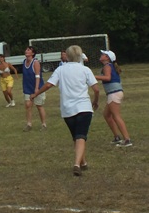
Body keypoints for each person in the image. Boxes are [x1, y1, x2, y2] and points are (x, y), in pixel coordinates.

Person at [30, 45, 100, 176]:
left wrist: (36, 94)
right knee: (80, 136)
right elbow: (96, 89)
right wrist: (95, 101)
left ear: (66, 56)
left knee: (77, 137)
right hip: (84, 107)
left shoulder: (60, 70)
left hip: (67, 109)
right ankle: (77, 164)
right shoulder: (85, 70)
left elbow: (49, 84)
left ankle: (83, 163)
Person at [95, 50, 132, 147]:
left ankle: (127, 139)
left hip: (114, 93)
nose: (101, 55)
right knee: (106, 115)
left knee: (116, 116)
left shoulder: (107, 66)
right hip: (115, 93)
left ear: (107, 58)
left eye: (103, 54)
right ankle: (117, 137)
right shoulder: (110, 66)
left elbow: (108, 78)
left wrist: (93, 76)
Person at [22, 45, 47, 131]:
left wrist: (36, 89)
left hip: (38, 87)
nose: (26, 51)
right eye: (26, 49)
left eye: (29, 50)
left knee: (39, 106)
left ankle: (44, 124)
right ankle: (29, 124)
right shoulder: (24, 62)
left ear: (32, 53)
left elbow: (37, 76)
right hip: (27, 88)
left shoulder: (35, 62)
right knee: (28, 105)